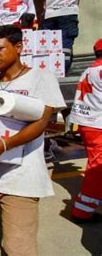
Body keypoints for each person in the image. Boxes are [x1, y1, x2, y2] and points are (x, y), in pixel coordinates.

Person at [0, 25, 66, 255]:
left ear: (18, 47)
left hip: (21, 182)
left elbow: (41, 123)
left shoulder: (40, 78)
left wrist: (5, 145)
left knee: (19, 248)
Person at [68, 38, 102, 222]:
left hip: (88, 122)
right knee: (97, 169)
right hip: (97, 125)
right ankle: (82, 211)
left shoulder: (89, 70)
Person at [31, 0, 80, 73]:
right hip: (70, 12)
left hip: (51, 14)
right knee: (66, 44)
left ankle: (48, 70)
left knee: (47, 45)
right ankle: (63, 70)